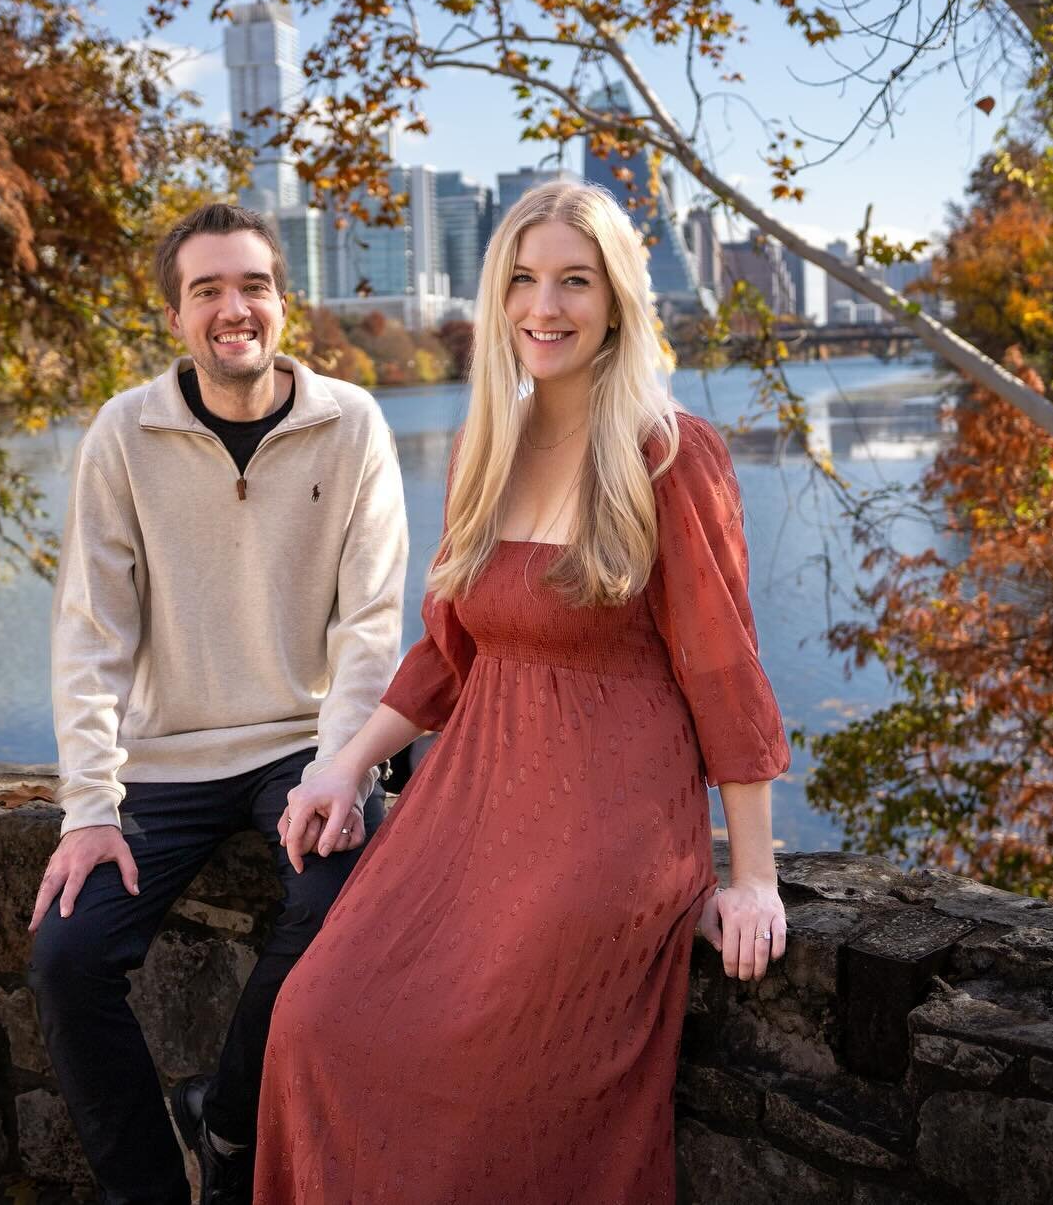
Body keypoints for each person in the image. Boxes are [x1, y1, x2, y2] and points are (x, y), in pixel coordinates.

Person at [256, 180, 790, 1203]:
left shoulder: (670, 455)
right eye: (524, 278)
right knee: (316, 1015)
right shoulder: (483, 449)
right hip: (470, 802)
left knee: (487, 1065)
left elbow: (727, 675)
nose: (546, 305)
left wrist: (752, 872)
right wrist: (345, 764)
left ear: (619, 301)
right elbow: (447, 652)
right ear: (498, 297)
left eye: (574, 281)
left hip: (613, 817)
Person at [27, 203, 407, 1205]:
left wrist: (342, 767)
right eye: (208, 291)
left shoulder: (353, 422)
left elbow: (370, 626)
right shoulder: (125, 431)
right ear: (176, 314)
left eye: (253, 286)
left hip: (306, 745)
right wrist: (90, 807)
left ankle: (228, 1121)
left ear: (285, 302)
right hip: (166, 755)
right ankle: (149, 1190)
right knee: (66, 953)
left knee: (338, 909)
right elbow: (91, 635)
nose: (233, 309)